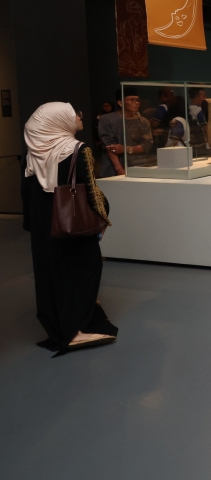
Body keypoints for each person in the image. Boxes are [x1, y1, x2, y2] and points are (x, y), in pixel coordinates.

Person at [22, 102, 118, 355]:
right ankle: (77, 329)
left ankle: (57, 327)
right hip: (72, 223)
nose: (79, 116)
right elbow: (91, 191)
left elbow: (26, 192)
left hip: (44, 226)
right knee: (83, 270)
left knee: (51, 274)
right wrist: (103, 217)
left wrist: (32, 225)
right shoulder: (78, 149)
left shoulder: (34, 149)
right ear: (59, 120)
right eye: (74, 113)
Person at [98, 87, 153, 176]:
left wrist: (126, 149)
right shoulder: (107, 119)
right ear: (120, 103)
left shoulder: (143, 121)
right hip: (115, 168)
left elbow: (147, 145)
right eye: (131, 100)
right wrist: (119, 170)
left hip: (138, 165)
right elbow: (110, 146)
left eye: (137, 100)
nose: (136, 103)